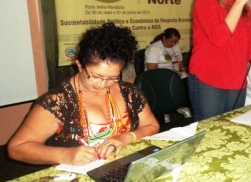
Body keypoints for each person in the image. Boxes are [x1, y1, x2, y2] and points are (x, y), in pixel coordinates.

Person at [8, 23, 159, 166]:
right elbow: (17, 148)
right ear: (79, 65)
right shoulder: (59, 102)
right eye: (95, 76)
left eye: (113, 77)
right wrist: (65, 155)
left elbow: (152, 125)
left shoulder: (129, 93)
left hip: (121, 166)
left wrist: (125, 137)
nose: (103, 84)